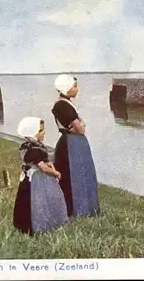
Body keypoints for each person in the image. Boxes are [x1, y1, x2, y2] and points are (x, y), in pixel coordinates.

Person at [51, 74, 100, 218]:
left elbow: (79, 125)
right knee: (72, 176)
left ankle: (84, 209)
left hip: (74, 142)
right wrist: (80, 124)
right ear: (66, 88)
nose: (77, 89)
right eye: (75, 86)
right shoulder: (62, 105)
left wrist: (80, 124)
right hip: (71, 144)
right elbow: (80, 128)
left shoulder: (66, 103)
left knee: (81, 174)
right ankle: (74, 211)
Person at [13, 117, 69, 236]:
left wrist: (53, 169)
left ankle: (28, 226)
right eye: (41, 130)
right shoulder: (33, 149)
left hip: (32, 178)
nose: (44, 132)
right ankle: (37, 227)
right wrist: (56, 173)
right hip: (37, 179)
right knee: (36, 202)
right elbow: (43, 167)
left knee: (36, 201)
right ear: (33, 133)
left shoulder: (30, 146)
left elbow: (47, 162)